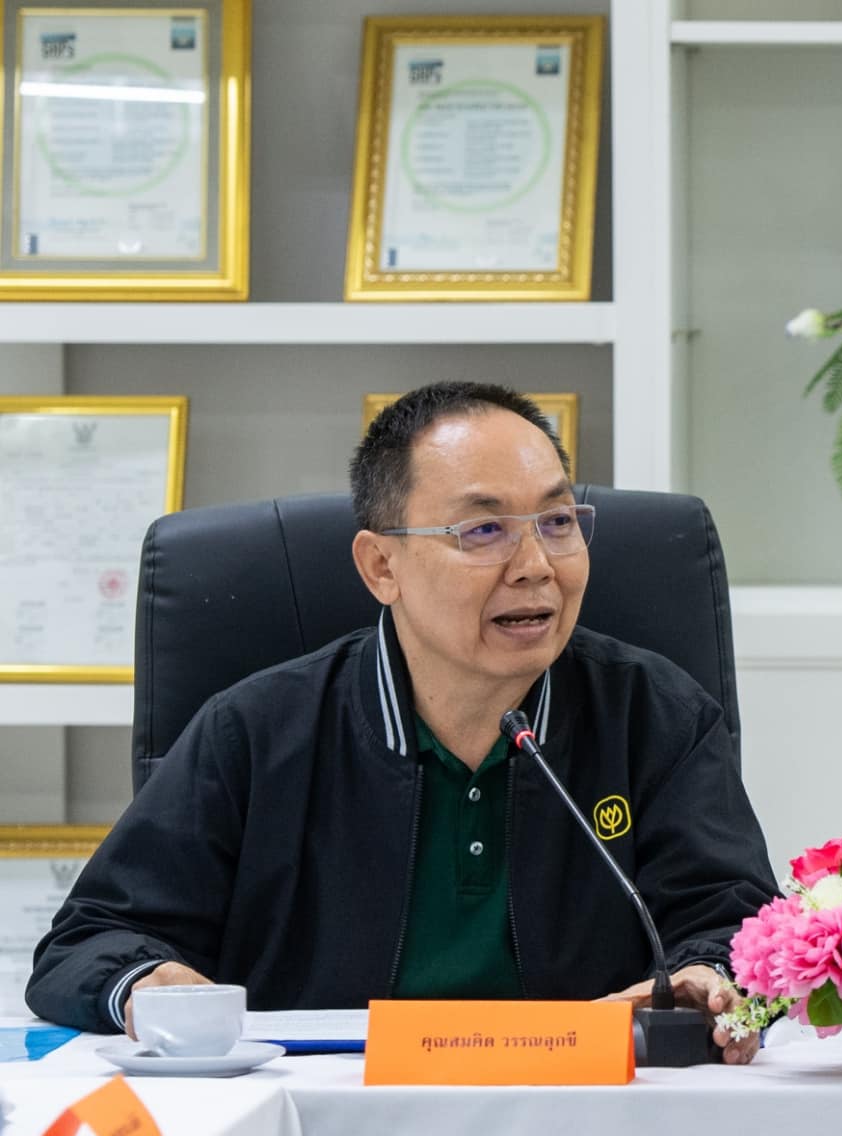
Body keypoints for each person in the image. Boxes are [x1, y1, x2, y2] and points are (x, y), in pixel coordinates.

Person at [28, 382, 778, 1061]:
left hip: (589, 1119)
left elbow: (742, 929)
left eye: (556, 521)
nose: (536, 565)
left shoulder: (656, 715)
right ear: (381, 567)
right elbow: (89, 941)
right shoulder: (253, 734)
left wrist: (706, 976)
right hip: (321, 1128)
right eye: (483, 531)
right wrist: (148, 982)